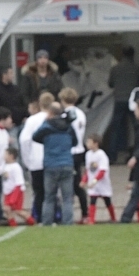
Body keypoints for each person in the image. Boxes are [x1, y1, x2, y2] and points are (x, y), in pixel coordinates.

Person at [33, 102, 77, 226]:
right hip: (67, 163)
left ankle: (47, 222)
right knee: (67, 197)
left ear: (50, 113)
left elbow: (35, 137)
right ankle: (68, 222)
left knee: (49, 197)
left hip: (51, 164)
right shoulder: (68, 126)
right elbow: (75, 142)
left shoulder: (47, 126)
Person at [18, 92, 52, 222]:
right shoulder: (55, 118)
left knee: (39, 192)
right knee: (52, 192)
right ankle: (54, 217)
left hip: (36, 161)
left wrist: (27, 160)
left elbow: (24, 140)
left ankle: (39, 218)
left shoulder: (32, 120)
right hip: (52, 160)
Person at [106, 46, 139, 160]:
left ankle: (112, 156)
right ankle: (137, 154)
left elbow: (110, 83)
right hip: (132, 101)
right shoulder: (137, 69)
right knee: (137, 128)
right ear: (133, 55)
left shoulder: (115, 68)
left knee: (116, 128)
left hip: (119, 100)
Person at [59, 87, 87, 222]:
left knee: (69, 185)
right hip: (80, 150)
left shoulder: (65, 115)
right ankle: (85, 213)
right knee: (77, 183)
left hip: (69, 152)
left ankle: (68, 214)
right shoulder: (81, 113)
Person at [81, 134, 114, 223]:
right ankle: (91, 220)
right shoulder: (88, 154)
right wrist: (84, 180)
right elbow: (88, 169)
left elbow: (103, 171)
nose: (87, 144)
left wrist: (95, 181)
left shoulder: (101, 155)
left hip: (102, 182)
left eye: (89, 142)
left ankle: (113, 217)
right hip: (93, 183)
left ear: (96, 144)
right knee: (93, 200)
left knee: (107, 201)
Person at [1, 147, 33, 226]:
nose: (4, 156)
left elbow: (19, 183)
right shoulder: (5, 166)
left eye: (5, 154)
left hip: (16, 192)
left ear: (11, 156)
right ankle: (13, 225)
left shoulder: (16, 167)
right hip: (7, 192)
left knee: (18, 210)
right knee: (7, 209)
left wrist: (14, 196)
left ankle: (32, 222)